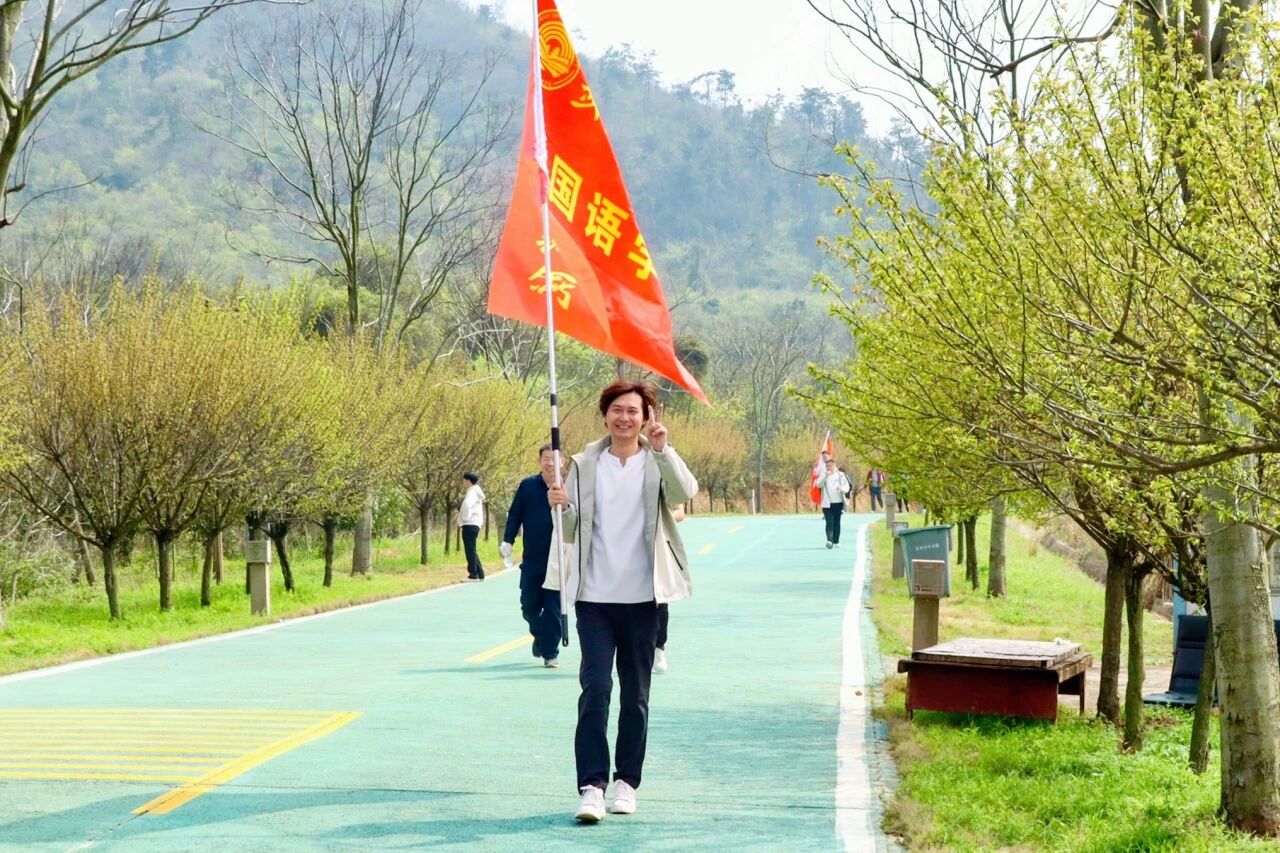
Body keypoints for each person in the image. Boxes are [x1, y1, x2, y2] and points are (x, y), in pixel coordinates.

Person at [546, 381, 697, 823]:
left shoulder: (655, 461)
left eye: (633, 411)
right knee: (595, 690)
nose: (624, 417)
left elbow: (685, 492)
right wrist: (561, 505)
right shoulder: (584, 464)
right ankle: (592, 786)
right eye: (617, 409)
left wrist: (664, 449)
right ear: (605, 415)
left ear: (646, 417)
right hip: (594, 598)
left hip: (643, 599)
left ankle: (626, 783)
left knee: (636, 697)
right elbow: (571, 530)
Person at [501, 444, 564, 667]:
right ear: (540, 462)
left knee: (553, 609)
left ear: (562, 462)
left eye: (554, 459)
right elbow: (515, 514)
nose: (550, 463)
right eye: (546, 458)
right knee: (529, 607)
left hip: (558, 560)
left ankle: (550, 653)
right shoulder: (528, 486)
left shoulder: (568, 486)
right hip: (533, 558)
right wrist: (508, 539)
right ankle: (540, 636)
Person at [653, 503, 685, 675]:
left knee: (660, 597)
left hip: (659, 545)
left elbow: (680, 512)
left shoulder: (664, 484)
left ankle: (659, 647)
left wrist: (660, 520)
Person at [817, 459, 851, 548]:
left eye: (830, 466)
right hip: (827, 504)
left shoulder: (841, 475)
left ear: (834, 465)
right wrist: (825, 476)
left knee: (837, 522)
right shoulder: (823, 475)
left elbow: (847, 487)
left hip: (838, 503)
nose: (828, 468)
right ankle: (829, 541)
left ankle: (836, 541)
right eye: (827, 466)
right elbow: (818, 484)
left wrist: (841, 488)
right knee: (829, 522)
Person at [457, 472, 485, 581]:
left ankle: (473, 575)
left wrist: (465, 518)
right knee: (472, 549)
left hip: (470, 523)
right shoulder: (474, 491)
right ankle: (480, 574)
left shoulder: (472, 492)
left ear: (468, 481)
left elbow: (467, 504)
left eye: (464, 480)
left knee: (470, 550)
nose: (463, 483)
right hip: (474, 523)